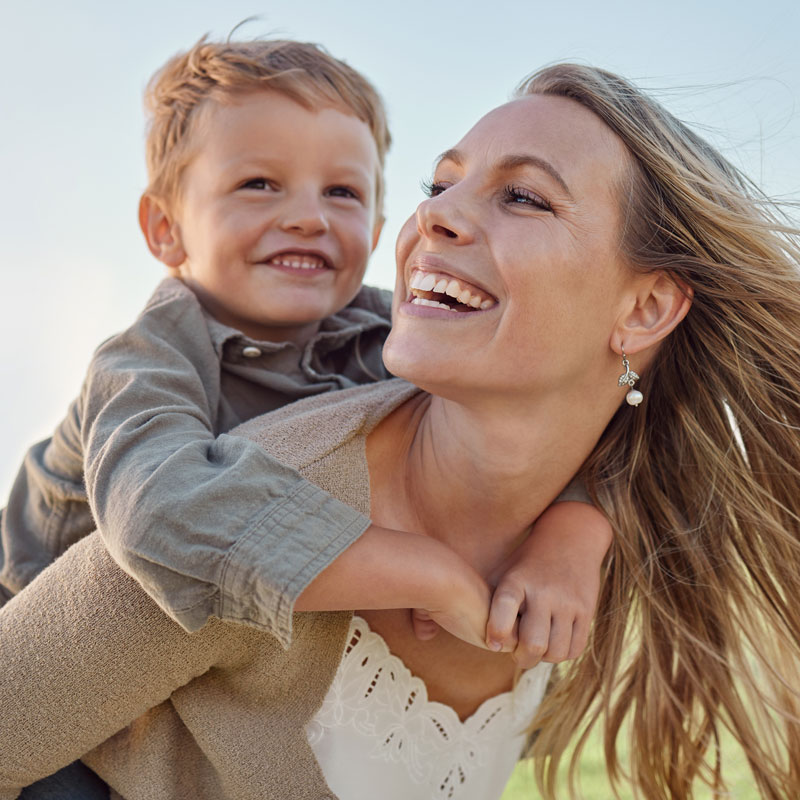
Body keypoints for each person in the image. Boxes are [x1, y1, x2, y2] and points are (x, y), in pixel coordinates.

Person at [4, 61, 798, 800]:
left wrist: (579, 530)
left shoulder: (385, 343)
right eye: (440, 183)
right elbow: (158, 510)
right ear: (166, 229)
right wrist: (421, 571)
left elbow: (613, 433)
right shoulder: (162, 375)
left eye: (523, 195)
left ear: (647, 310)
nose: (437, 215)